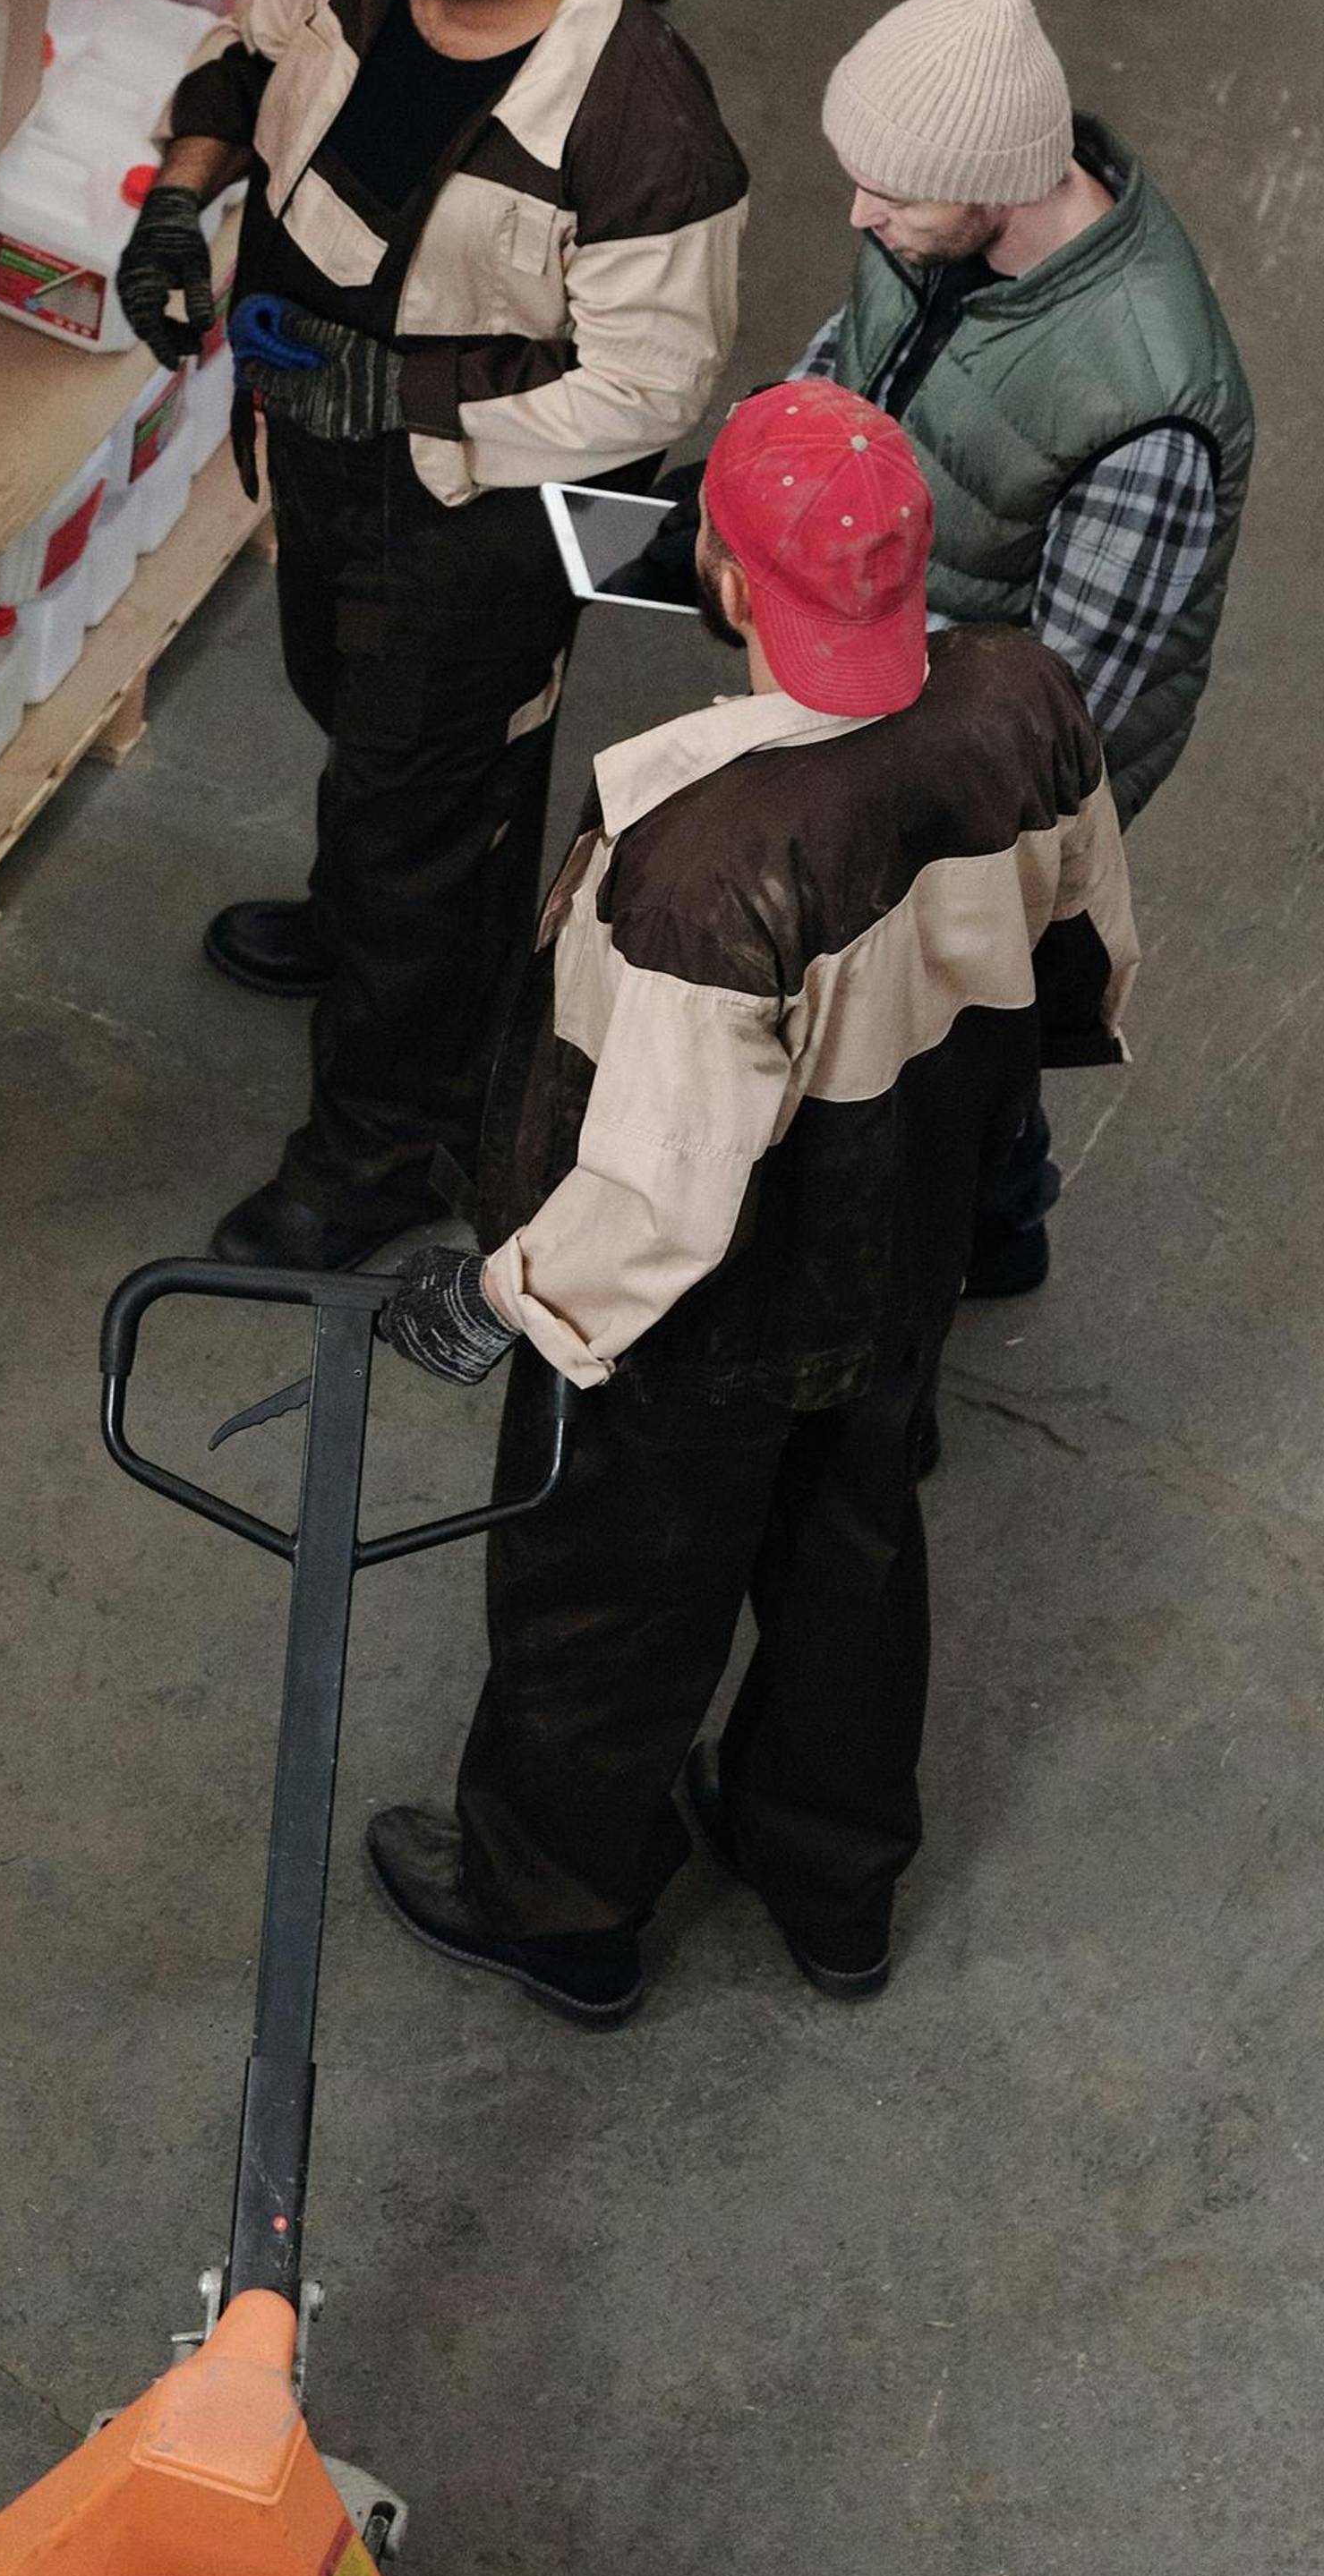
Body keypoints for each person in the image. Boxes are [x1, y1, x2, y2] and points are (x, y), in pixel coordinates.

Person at [359, 384, 1135, 2024]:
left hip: (704, 1324)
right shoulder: (1026, 700)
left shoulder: (702, 859)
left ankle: (557, 1908)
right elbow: (1085, 955)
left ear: (721, 574)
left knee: (610, 1602)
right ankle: (830, 1881)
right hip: (905, 1238)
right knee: (853, 1542)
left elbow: (659, 1195)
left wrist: (501, 1299)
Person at [123, 0, 747, 1275]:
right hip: (323, 447)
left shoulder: (638, 126)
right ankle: (366, 931)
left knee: (431, 814)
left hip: (478, 516)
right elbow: (247, 61)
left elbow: (649, 389)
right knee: (351, 718)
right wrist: (178, 206)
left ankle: (388, 1150)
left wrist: (406, 405)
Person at [797, 0, 1251, 1294]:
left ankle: (989, 1226)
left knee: (957, 1011)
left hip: (996, 771)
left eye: (889, 194)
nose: (860, 213)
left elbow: (1053, 710)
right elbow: (864, 349)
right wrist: (776, 462)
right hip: (887, 678)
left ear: (999, 183)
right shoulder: (934, 220)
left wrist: (836, 634)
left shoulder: (1147, 401)